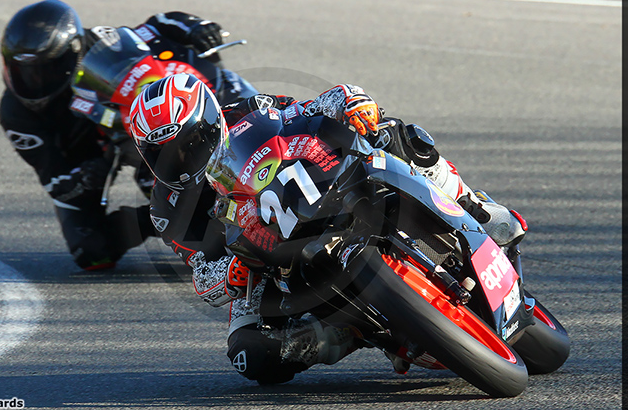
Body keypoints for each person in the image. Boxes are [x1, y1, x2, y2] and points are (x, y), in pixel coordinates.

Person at [129, 73, 528, 384]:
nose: (179, 157)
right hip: (259, 255)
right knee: (249, 355)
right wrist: (228, 274)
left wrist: (354, 104)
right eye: (161, 154)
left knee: (395, 134)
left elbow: (317, 108)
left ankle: (472, 206)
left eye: (189, 141)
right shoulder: (168, 208)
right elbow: (201, 271)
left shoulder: (247, 110)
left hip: (323, 189)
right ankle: (348, 332)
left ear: (210, 118)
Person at [0, 0, 230, 270]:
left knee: (165, 166)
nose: (32, 82)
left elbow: (153, 27)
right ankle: (155, 219)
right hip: (85, 159)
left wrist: (194, 27)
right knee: (91, 251)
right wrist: (87, 178)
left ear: (70, 55)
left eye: (42, 70)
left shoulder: (98, 45)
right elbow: (55, 182)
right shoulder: (16, 115)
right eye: (21, 71)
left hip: (132, 130)